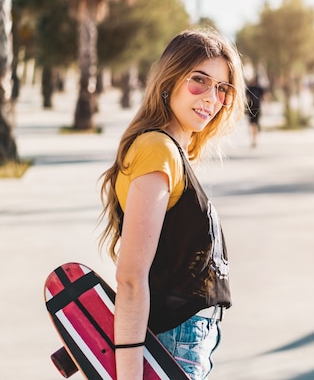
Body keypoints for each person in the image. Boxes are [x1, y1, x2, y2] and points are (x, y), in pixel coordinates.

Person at [98, 29, 246, 380]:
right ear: (170, 79)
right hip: (174, 342)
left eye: (222, 88)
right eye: (200, 81)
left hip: (184, 341)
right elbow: (132, 277)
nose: (212, 97)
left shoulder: (170, 152)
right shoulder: (157, 150)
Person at [245, 76, 265, 148]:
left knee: (253, 124)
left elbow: (245, 98)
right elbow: (264, 97)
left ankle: (254, 139)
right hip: (254, 108)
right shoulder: (256, 88)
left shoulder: (251, 88)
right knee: (254, 124)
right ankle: (254, 138)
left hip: (253, 108)